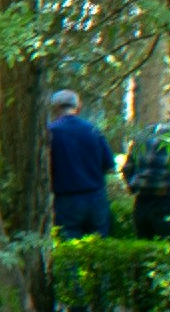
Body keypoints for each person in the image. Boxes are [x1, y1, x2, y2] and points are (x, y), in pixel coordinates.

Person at [42, 89, 116, 243]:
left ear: (54, 108)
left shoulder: (50, 132)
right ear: (78, 107)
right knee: (99, 248)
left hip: (66, 201)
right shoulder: (94, 130)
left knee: (69, 251)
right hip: (96, 198)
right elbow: (110, 167)